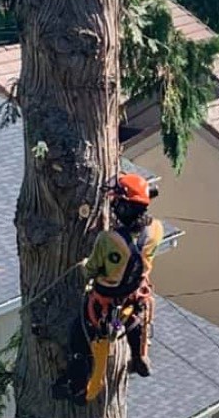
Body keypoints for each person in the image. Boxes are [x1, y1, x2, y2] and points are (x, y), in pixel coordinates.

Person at [59, 173, 164, 404]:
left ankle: (78, 389)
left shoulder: (108, 239)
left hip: (103, 303)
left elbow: (92, 269)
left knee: (77, 337)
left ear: (122, 207)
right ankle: (139, 357)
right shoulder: (156, 230)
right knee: (135, 320)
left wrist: (84, 265)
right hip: (132, 297)